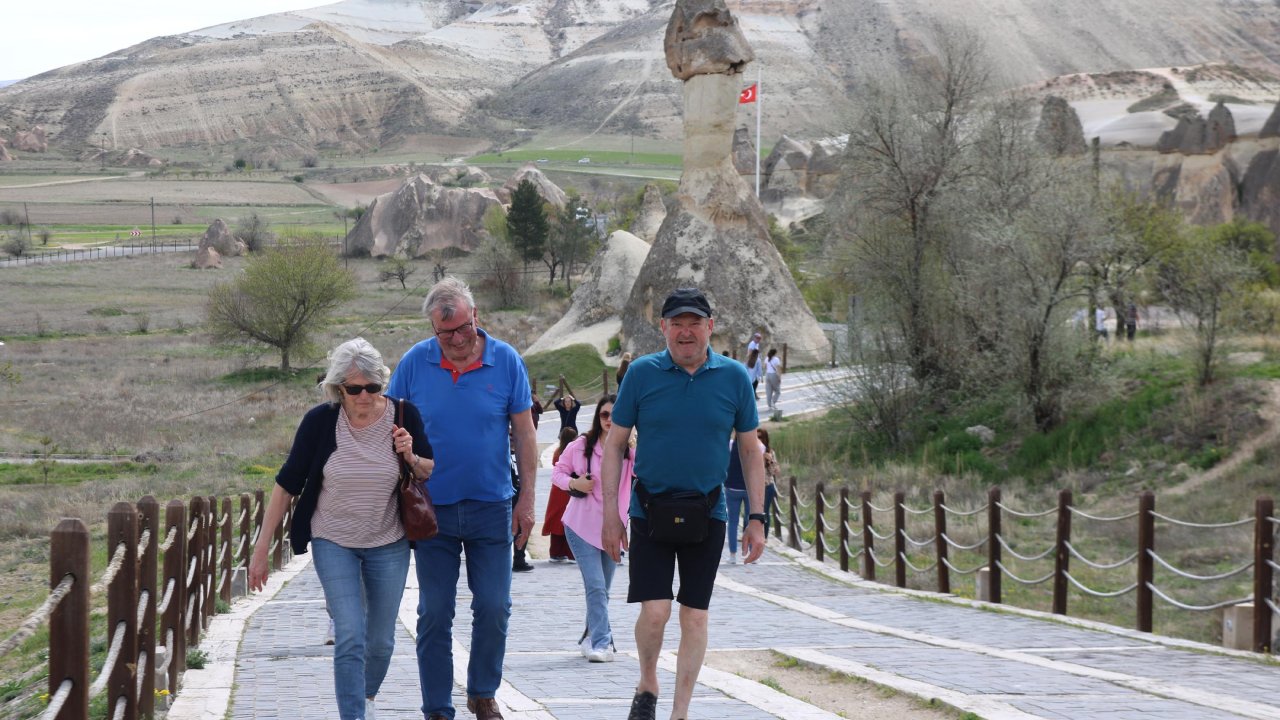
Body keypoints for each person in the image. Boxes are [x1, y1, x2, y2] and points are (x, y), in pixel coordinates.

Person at [601, 287, 767, 720]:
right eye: (677, 323)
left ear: (710, 327)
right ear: (664, 328)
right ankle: (647, 681)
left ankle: (679, 713)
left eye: (695, 323)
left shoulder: (734, 377)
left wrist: (757, 516)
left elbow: (750, 451)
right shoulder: (640, 374)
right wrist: (611, 516)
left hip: (708, 512)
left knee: (694, 617)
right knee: (655, 613)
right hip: (649, 511)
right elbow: (615, 444)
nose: (686, 332)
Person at [249, 337, 433, 720]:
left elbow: (427, 470)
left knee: (381, 642)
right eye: (354, 389)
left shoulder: (404, 415)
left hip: (389, 540)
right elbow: (287, 484)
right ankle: (354, 714)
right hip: (334, 540)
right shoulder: (320, 422)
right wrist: (261, 549)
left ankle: (362, 696)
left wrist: (409, 453)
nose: (364, 396)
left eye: (372, 387)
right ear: (338, 389)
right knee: (349, 633)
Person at [386, 277, 537, 720]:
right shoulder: (415, 363)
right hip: (431, 510)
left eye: (462, 329)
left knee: (494, 606)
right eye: (444, 332)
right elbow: (388, 428)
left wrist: (527, 500)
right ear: (433, 329)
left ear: (477, 318)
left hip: (493, 506)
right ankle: (436, 706)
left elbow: (526, 435)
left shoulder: (506, 361)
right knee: (434, 612)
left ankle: (482, 692)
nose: (455, 339)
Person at [551, 396, 634, 663]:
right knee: (596, 586)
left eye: (614, 415)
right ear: (597, 418)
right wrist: (575, 484)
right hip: (580, 525)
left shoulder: (630, 452)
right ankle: (602, 642)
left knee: (602, 590)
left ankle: (589, 637)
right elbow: (558, 473)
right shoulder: (581, 446)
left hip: (613, 529)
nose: (609, 420)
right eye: (604, 415)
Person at [543, 426, 580, 563]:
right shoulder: (570, 453)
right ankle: (570, 553)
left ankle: (556, 552)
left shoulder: (558, 451)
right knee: (569, 520)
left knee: (557, 520)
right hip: (567, 490)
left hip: (557, 490)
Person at [758, 428, 781, 536]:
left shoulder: (770, 452)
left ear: (765, 438)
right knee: (753, 510)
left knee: (765, 511)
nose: (759, 439)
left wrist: (770, 460)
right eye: (756, 437)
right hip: (755, 486)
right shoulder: (753, 451)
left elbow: (775, 471)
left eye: (761, 437)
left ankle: (765, 535)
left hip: (767, 485)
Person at [764, 347, 783, 412]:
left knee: (769, 391)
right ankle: (773, 402)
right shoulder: (776, 359)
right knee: (777, 391)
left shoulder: (767, 358)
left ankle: (769, 406)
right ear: (775, 353)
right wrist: (779, 378)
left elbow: (765, 367)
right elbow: (778, 369)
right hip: (773, 375)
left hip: (767, 375)